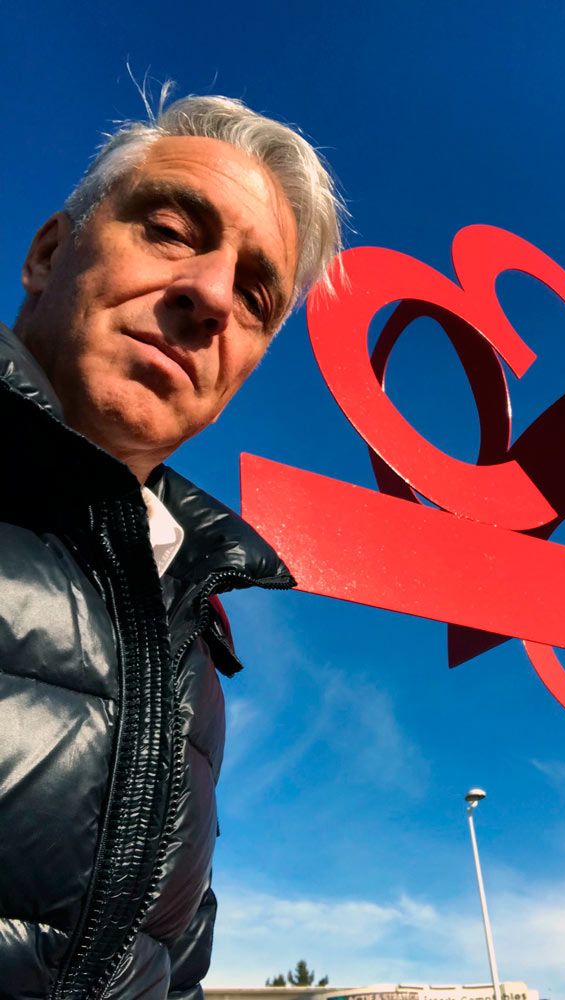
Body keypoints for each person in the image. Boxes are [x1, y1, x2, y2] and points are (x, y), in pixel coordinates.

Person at [0, 92, 343, 999]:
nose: (212, 296)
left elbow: (171, 962)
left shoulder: (189, 628)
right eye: (168, 231)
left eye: (257, 297)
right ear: (48, 254)